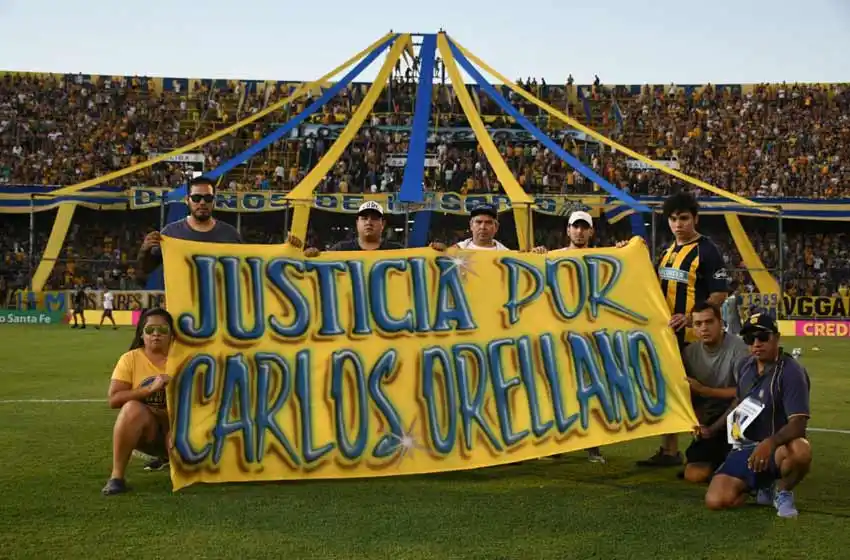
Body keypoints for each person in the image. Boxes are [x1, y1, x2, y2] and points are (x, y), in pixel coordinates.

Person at [638, 190, 729, 468]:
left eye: (684, 218)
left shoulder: (708, 251)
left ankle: (710, 448)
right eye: (674, 219)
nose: (679, 224)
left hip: (693, 338)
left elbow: (719, 294)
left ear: (695, 219)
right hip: (667, 337)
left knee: (697, 394)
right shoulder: (667, 252)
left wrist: (691, 319)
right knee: (670, 390)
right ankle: (669, 451)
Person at [701, 313, 812, 518]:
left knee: (801, 450)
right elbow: (739, 403)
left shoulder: (791, 372)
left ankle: (784, 491)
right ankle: (762, 484)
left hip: (777, 449)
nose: (756, 344)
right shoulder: (745, 366)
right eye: (750, 339)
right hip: (745, 446)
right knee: (716, 501)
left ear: (777, 337)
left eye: (762, 337)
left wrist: (770, 443)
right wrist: (713, 428)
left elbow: (799, 424)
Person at [548, 210, 608, 463]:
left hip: (591, 333)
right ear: (568, 230)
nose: (580, 232)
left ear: (591, 231)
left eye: (584, 228)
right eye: (576, 227)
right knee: (560, 388)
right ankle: (558, 442)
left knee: (591, 387)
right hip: (560, 333)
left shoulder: (604, 257)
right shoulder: (553, 257)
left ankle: (592, 443)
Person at [102, 308, 175, 496]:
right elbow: (114, 399)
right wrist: (148, 389)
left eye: (163, 330)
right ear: (142, 334)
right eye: (150, 330)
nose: (156, 334)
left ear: (171, 334)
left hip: (177, 429)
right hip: (148, 430)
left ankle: (170, 457)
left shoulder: (185, 358)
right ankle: (116, 477)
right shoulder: (130, 359)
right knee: (131, 408)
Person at [679, 301, 750, 483]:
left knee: (741, 469)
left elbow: (744, 393)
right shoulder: (689, 353)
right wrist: (697, 423)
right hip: (708, 419)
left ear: (721, 322)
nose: (704, 328)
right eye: (698, 324)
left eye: (709, 322)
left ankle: (731, 462)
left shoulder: (739, 349)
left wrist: (706, 391)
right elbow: (686, 395)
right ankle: (721, 464)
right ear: (693, 328)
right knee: (693, 475)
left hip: (737, 418)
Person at [137, 176, 242, 277]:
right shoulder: (171, 233)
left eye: (208, 198)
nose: (202, 202)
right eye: (196, 198)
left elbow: (242, 270)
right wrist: (145, 250)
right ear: (187, 200)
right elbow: (146, 270)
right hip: (181, 295)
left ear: (214, 200)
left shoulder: (230, 235)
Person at [304, 201, 445, 255]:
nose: (369, 222)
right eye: (364, 218)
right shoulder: (340, 249)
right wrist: (312, 256)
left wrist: (434, 253)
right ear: (357, 223)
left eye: (374, 218)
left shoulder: (396, 251)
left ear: (382, 224)